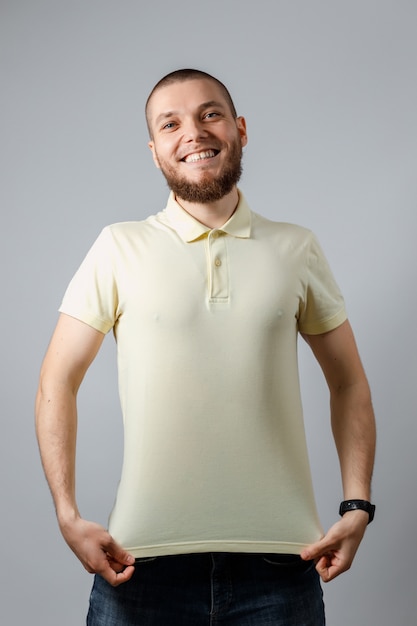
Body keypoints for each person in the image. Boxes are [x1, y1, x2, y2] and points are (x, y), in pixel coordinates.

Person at [35, 68, 376, 625]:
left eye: (209, 113)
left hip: (282, 565)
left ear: (239, 128)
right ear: (154, 151)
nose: (193, 131)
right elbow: (57, 380)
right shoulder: (118, 246)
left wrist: (357, 503)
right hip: (139, 567)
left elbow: (348, 381)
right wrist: (67, 514)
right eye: (171, 123)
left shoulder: (297, 247)